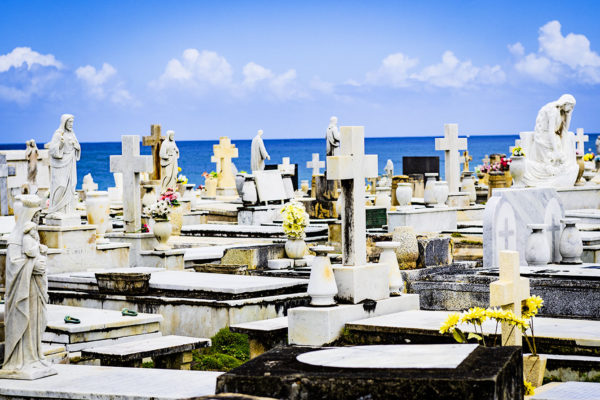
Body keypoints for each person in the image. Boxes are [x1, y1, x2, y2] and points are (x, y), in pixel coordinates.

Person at [2, 195, 55, 379]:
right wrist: (33, 266)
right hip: (22, 291)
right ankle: (21, 360)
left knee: (36, 320)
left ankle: (34, 357)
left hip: (34, 288)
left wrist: (39, 260)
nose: (36, 221)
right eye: (34, 217)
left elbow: (34, 253)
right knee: (26, 321)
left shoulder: (31, 235)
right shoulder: (16, 239)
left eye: (37, 217)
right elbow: (13, 267)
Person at [522, 94, 579, 187]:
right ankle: (551, 173)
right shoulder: (552, 110)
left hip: (552, 136)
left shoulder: (562, 111)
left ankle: (559, 169)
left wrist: (569, 115)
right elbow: (551, 131)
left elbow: (565, 130)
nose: (572, 108)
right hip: (543, 136)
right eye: (571, 106)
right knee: (556, 148)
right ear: (565, 103)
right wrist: (556, 150)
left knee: (566, 139)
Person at [48, 114, 80, 216]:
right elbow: (52, 150)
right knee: (61, 185)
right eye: (69, 122)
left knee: (71, 185)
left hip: (70, 162)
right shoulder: (58, 134)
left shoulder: (72, 134)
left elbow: (77, 147)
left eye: (72, 122)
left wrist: (77, 147)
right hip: (60, 163)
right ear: (64, 122)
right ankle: (54, 210)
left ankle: (68, 211)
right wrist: (61, 144)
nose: (71, 124)